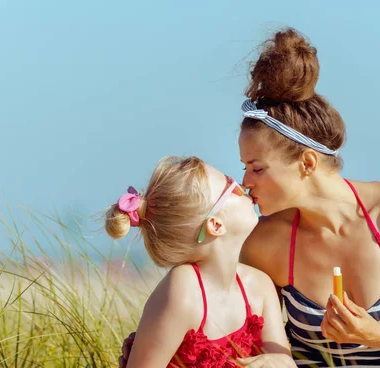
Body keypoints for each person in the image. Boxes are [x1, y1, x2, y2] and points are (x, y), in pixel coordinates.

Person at [120, 27, 380, 367]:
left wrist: (374, 335)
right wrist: (157, 350)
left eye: (257, 168)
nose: (245, 182)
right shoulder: (263, 242)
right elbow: (215, 301)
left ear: (307, 163)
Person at [106, 156, 296, 367]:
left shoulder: (260, 287)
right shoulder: (183, 289)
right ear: (215, 224)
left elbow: (285, 361)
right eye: (230, 185)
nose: (242, 186)